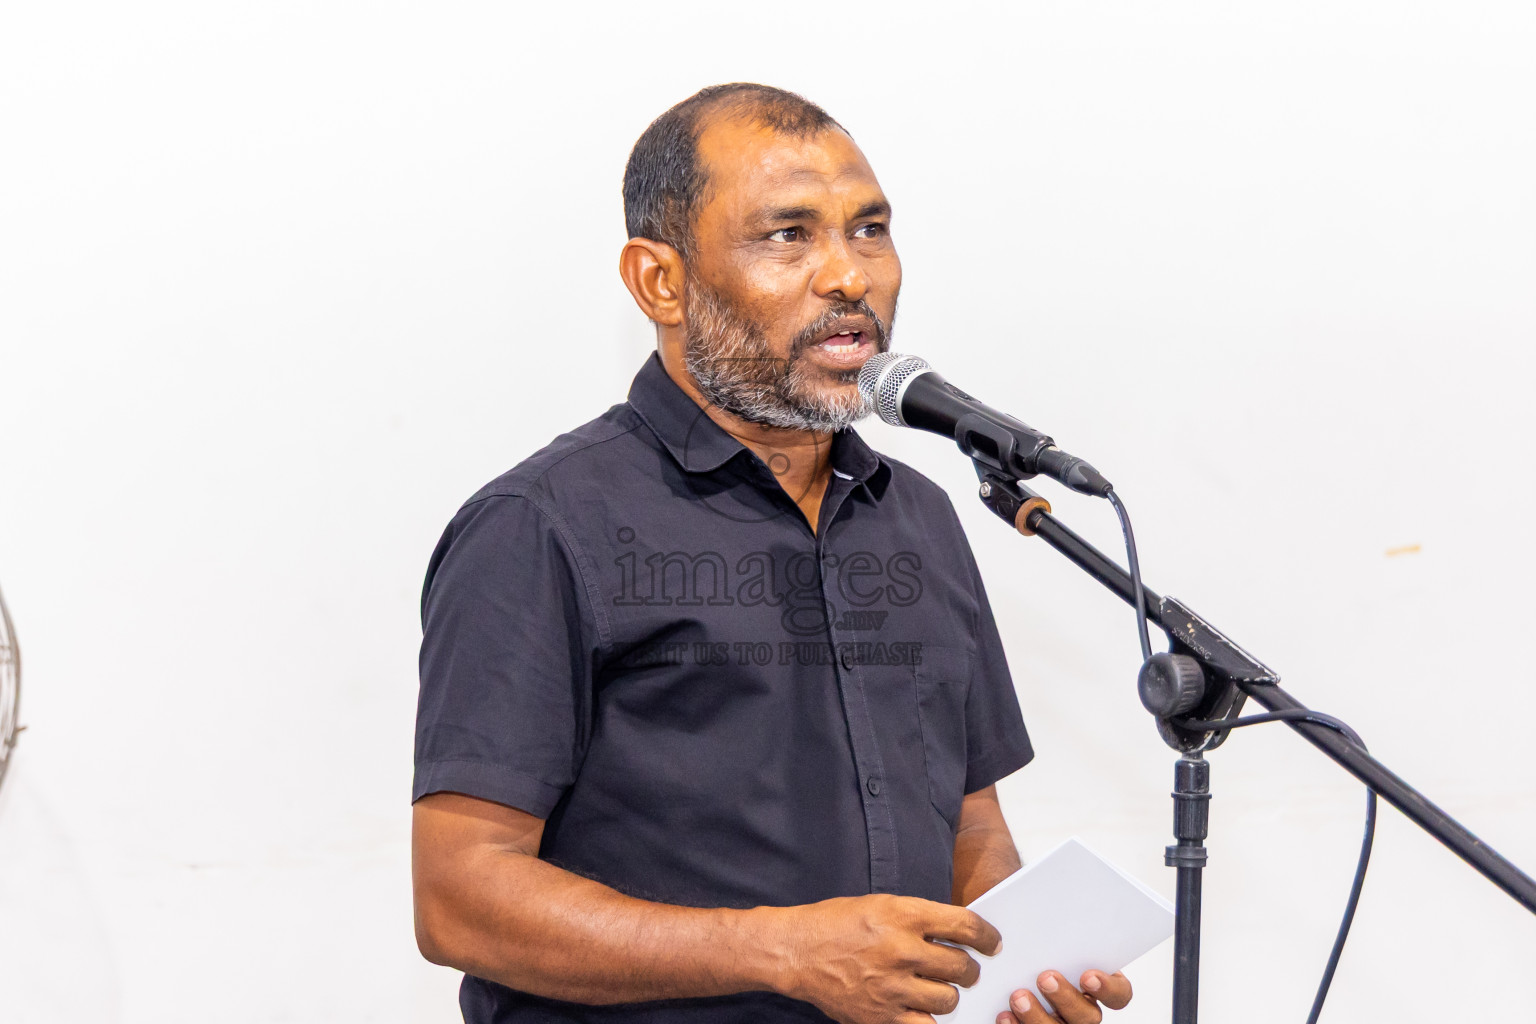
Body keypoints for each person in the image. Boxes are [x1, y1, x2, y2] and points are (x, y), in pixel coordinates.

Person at [411, 83, 1134, 1024]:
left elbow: (969, 826)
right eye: (788, 236)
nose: (848, 277)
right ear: (659, 282)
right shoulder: (540, 525)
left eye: (869, 229)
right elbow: (459, 899)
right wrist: (782, 952)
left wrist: (1015, 974)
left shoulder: (918, 517)